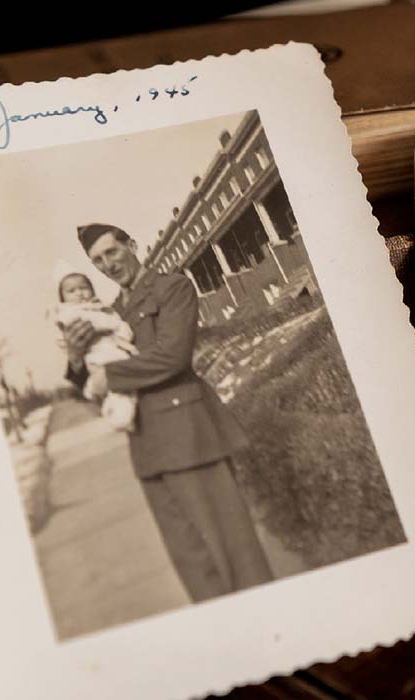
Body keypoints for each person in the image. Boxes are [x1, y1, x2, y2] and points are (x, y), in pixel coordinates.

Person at [64, 222, 273, 602]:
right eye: (97, 261)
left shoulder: (172, 287)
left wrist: (106, 376)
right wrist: (76, 360)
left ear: (133, 244)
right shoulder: (110, 312)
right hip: (146, 447)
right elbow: (89, 386)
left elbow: (172, 357)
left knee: (234, 553)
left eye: (112, 252)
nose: (107, 264)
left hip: (190, 436)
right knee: (194, 565)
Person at [51, 269, 137, 432]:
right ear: (63, 298)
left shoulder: (99, 306)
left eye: (84, 288)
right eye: (71, 291)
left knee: (123, 391)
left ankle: (118, 410)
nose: (79, 294)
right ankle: (120, 417)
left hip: (111, 351)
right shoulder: (72, 312)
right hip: (99, 355)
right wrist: (119, 326)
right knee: (118, 389)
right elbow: (97, 324)